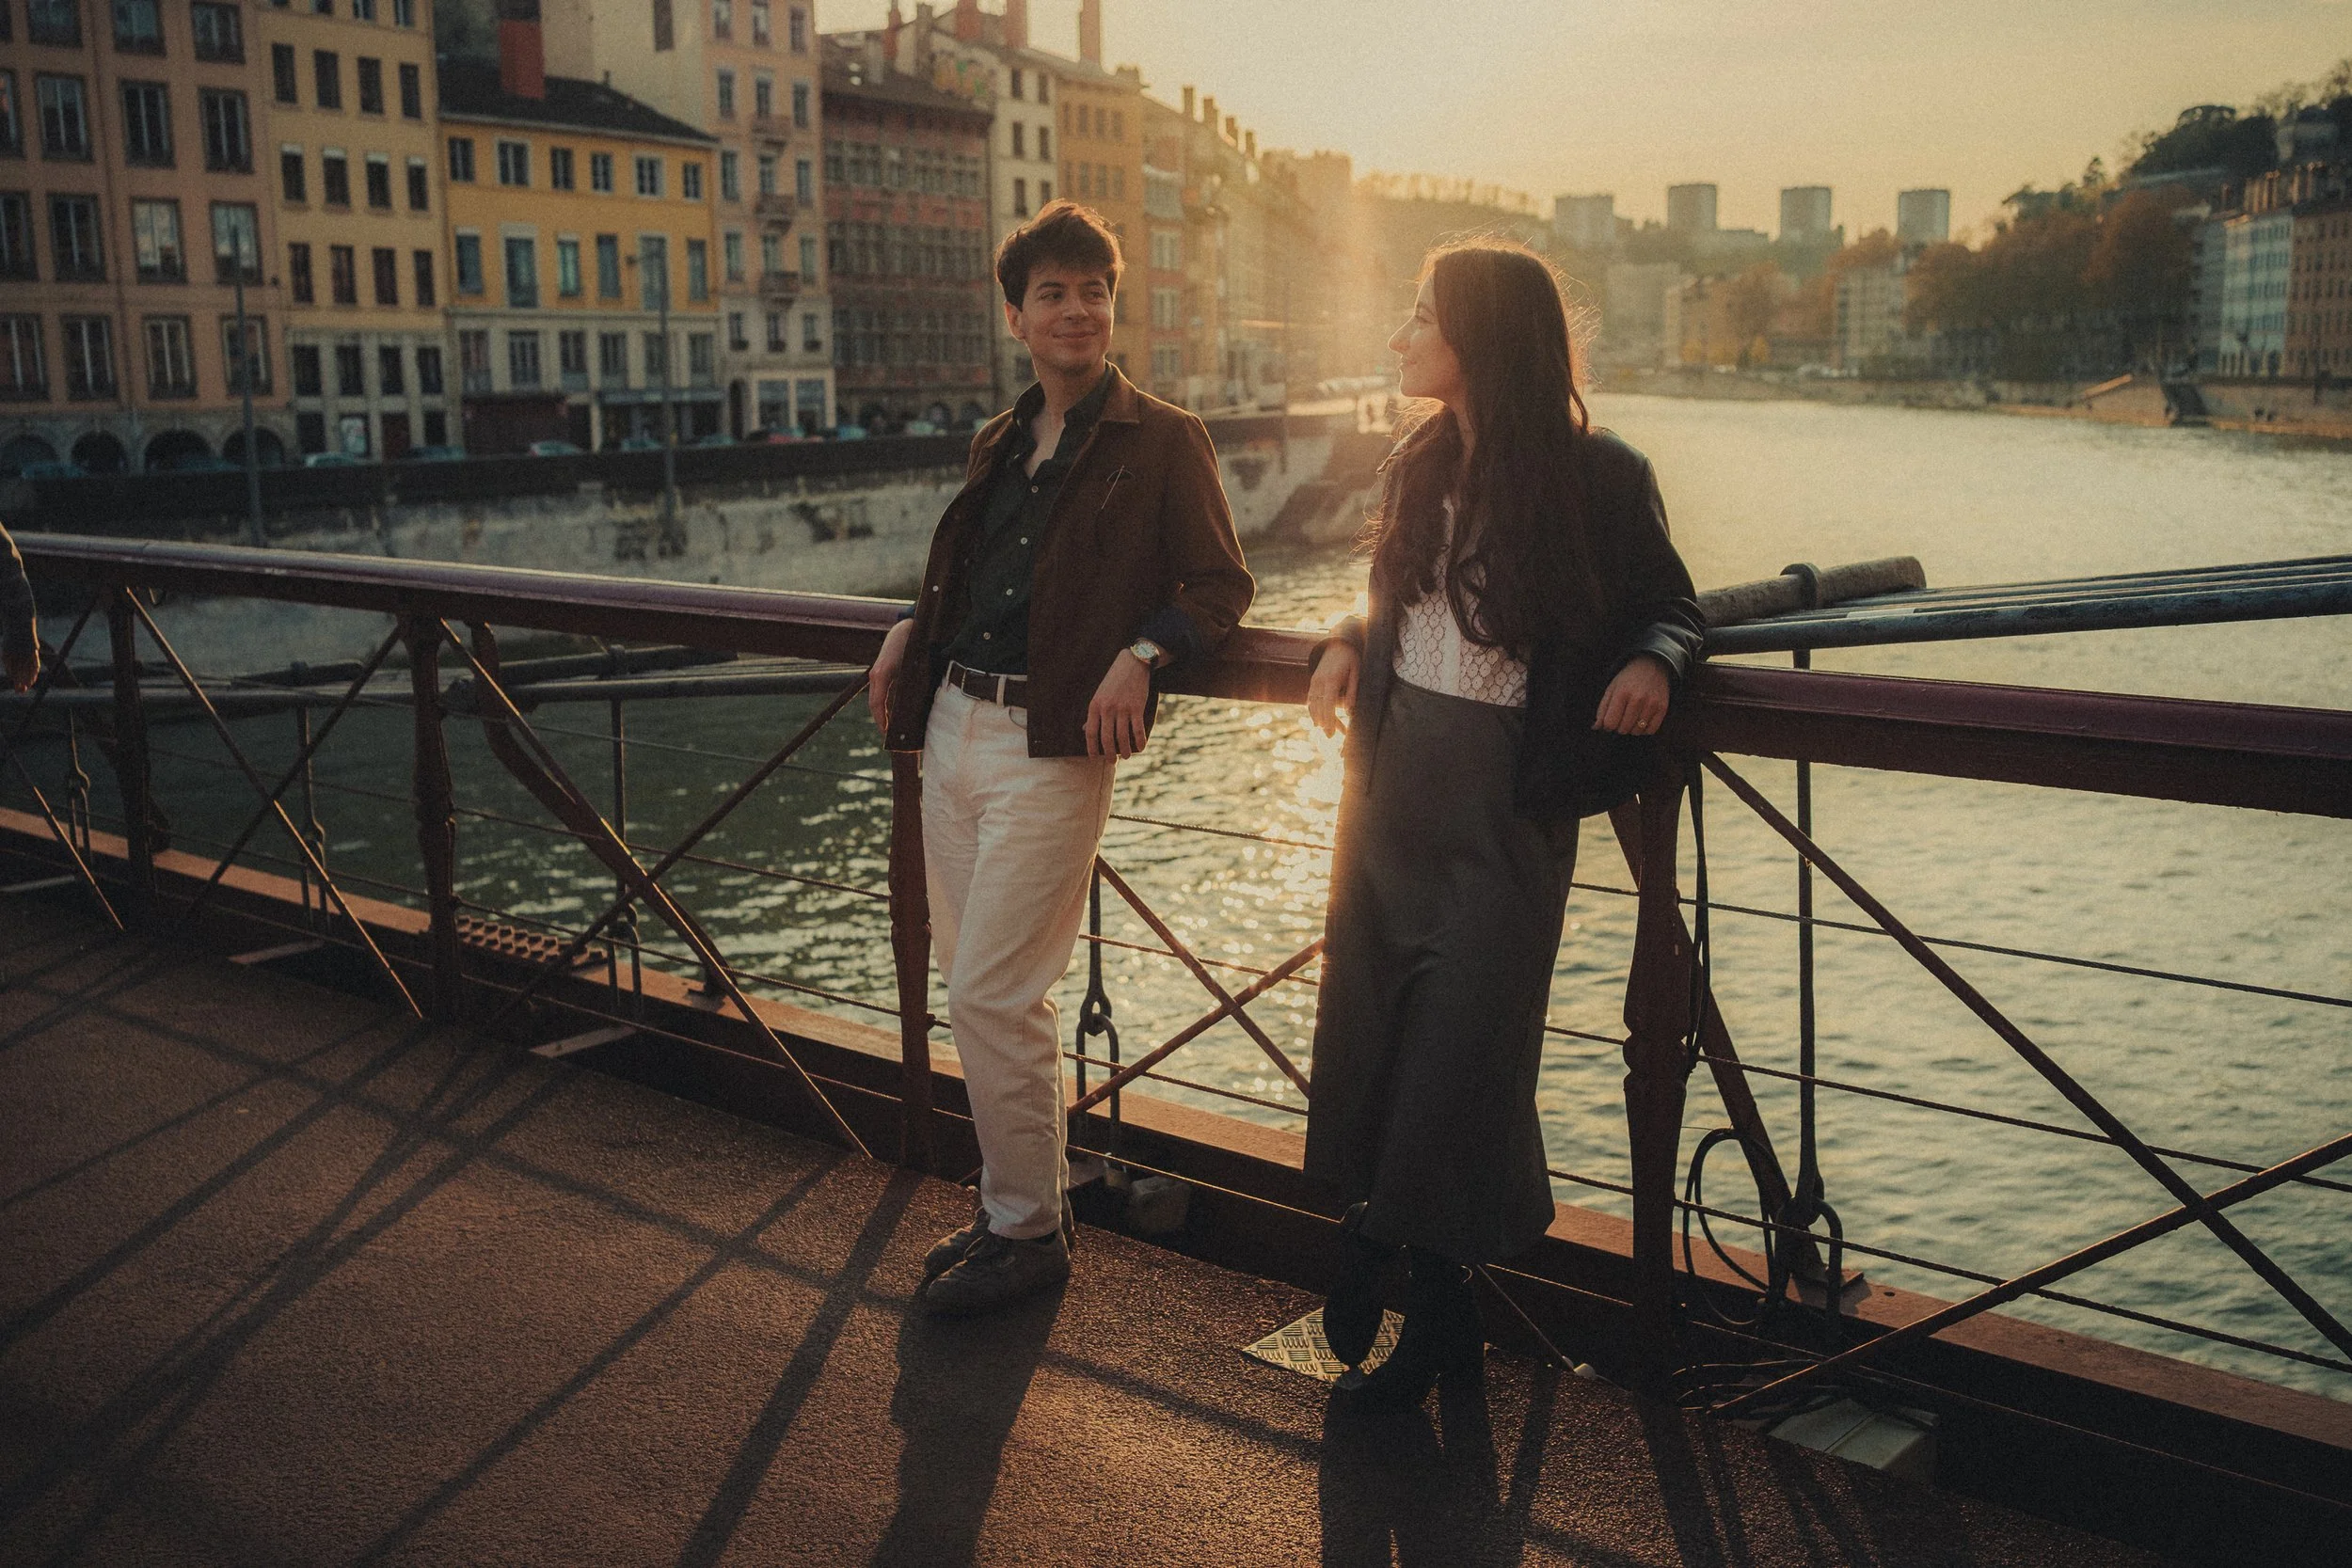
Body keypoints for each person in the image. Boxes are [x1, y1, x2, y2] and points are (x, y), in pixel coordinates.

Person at [1300, 239, 1704, 1402]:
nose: (1398, 337)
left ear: (1478, 340)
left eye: (1418, 316)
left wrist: (1654, 662)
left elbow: (1670, 601)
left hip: (1504, 807)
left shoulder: (1601, 477)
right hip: (1386, 794)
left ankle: (1388, 1250)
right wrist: (1341, 636)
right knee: (1374, 1034)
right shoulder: (1417, 460)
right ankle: (1431, 1312)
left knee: (1460, 1064)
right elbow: (1400, 603)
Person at [869, 201, 1254, 1317]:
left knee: (995, 988)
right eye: (1053, 292)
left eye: (1094, 289)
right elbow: (976, 579)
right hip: (955, 724)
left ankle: (1029, 1232)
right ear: (1017, 317)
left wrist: (1144, 652)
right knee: (974, 989)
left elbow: (1221, 587)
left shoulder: (1164, 435)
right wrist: (908, 626)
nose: (1077, 308)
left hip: (1052, 743)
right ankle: (1012, 1207)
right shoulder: (1000, 437)